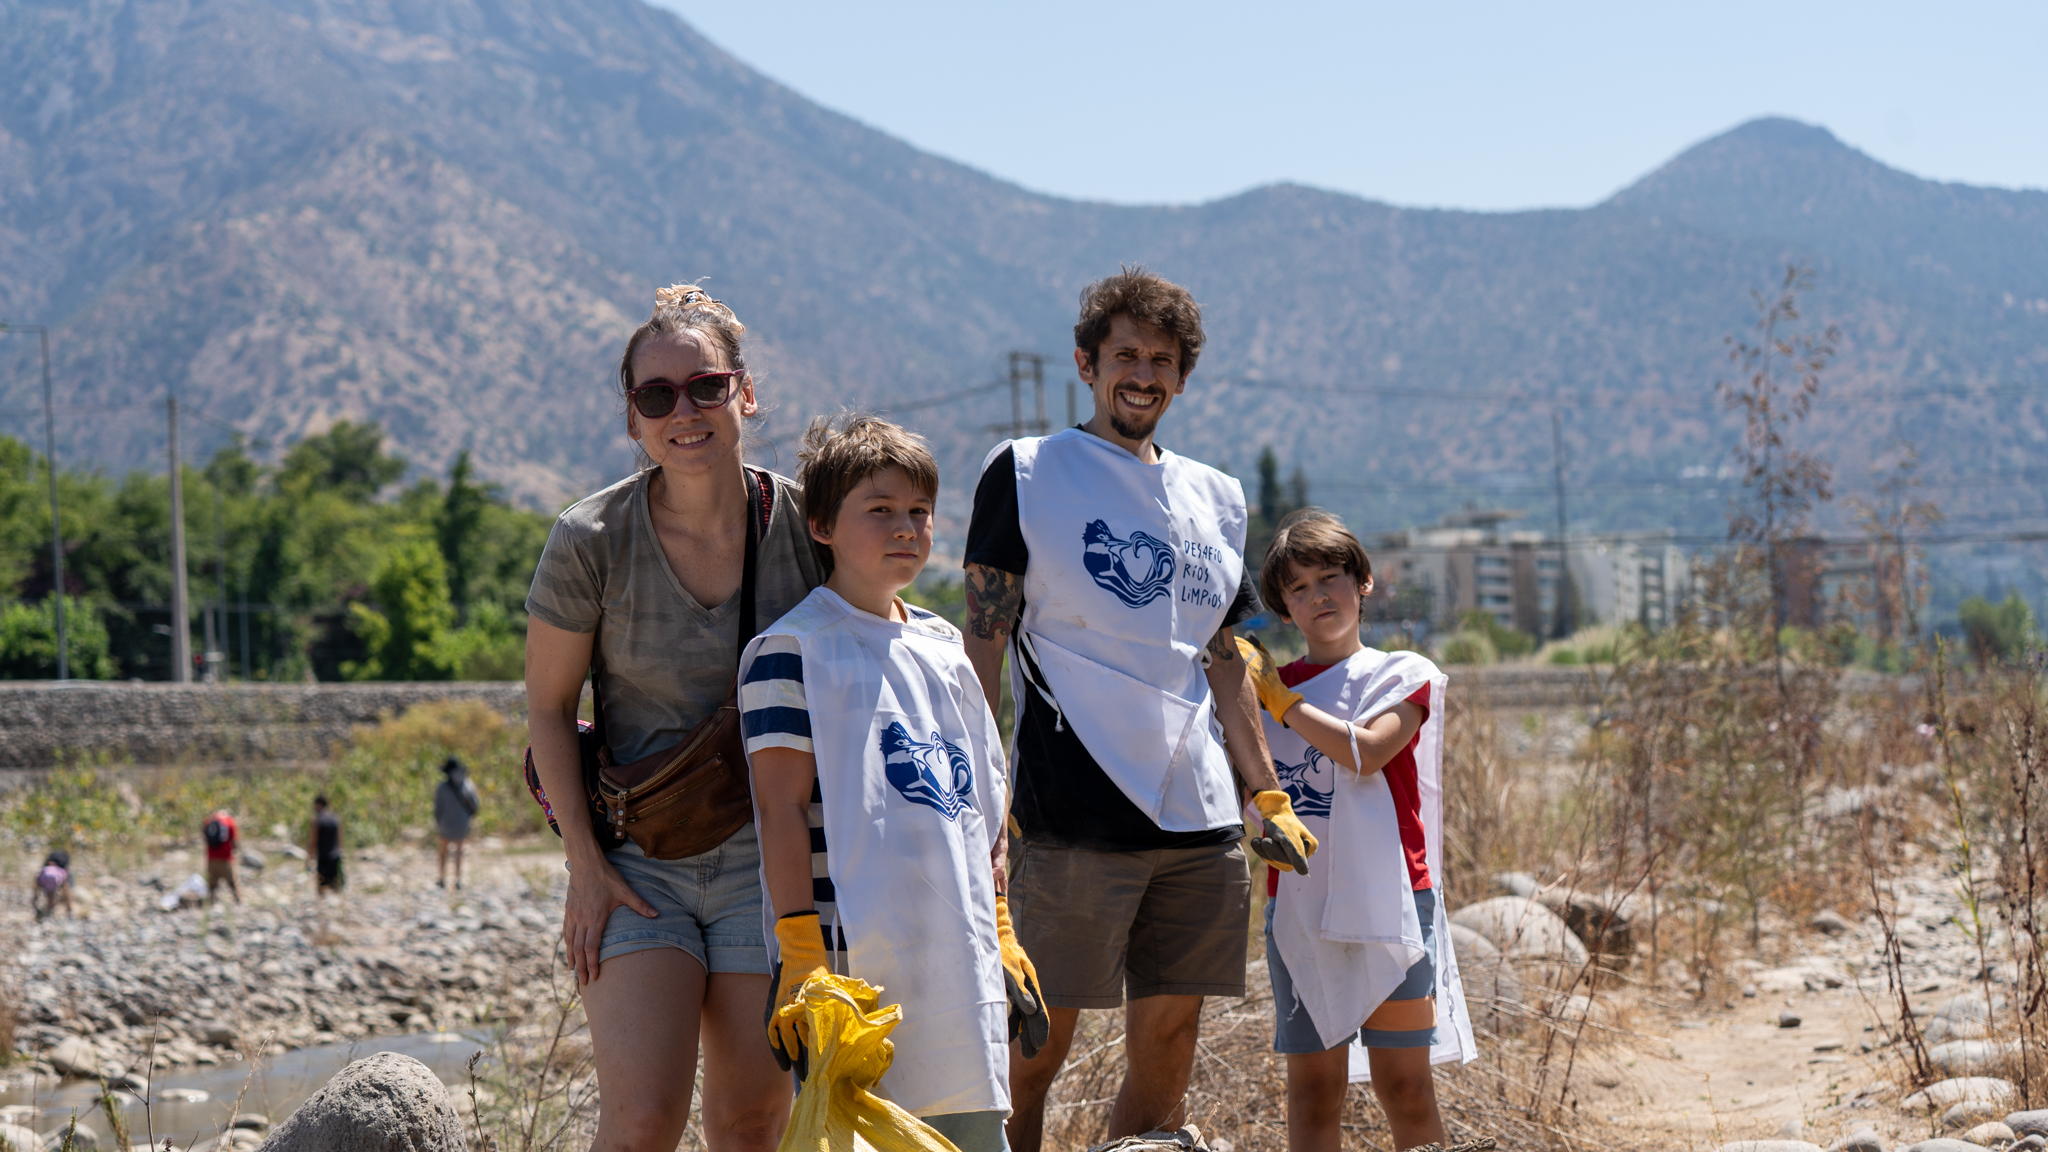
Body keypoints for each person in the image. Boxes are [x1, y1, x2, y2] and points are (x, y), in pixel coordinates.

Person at [962, 267, 1318, 1151]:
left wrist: (1265, 793)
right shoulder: (1028, 471)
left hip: (1196, 820)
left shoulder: (1217, 497)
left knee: (1169, 1042)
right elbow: (983, 640)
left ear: (1182, 378)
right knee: (1034, 1048)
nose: (1144, 374)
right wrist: (977, 792)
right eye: (1126, 355)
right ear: (1086, 363)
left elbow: (1227, 656)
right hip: (1069, 812)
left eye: (1163, 360)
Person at [525, 283, 824, 1152]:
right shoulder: (591, 539)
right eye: (657, 396)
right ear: (633, 419)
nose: (683, 411)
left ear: (746, 393)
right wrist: (584, 866)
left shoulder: (809, 525)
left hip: (772, 866)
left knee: (749, 1123)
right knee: (643, 1123)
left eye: (706, 387)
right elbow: (548, 708)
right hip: (637, 869)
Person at [742, 416, 1042, 1152]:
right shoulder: (790, 650)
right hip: (850, 972)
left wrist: (1001, 928)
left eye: (918, 512)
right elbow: (779, 810)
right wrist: (801, 955)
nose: (905, 528)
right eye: (879, 510)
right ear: (821, 524)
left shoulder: (945, 648)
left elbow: (982, 805)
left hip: (957, 966)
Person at [1239, 511, 1478, 1152]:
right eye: (1298, 588)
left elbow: (1368, 752)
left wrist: (1280, 701)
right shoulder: (1259, 691)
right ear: (1283, 608)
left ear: (1364, 582)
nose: (1318, 595)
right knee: (1314, 1093)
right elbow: (1244, 791)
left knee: (1405, 1087)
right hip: (1300, 907)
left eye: (1331, 578)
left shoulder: (1403, 673)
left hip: (1394, 903)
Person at [435, 757, 481, 889]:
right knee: (459, 852)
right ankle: (458, 880)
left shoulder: (442, 787)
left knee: (443, 852)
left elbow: (438, 808)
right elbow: (475, 804)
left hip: (445, 823)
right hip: (462, 823)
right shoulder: (467, 784)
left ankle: (442, 878)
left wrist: (438, 822)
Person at [202, 808, 240, 905]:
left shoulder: (208, 820)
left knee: (212, 882)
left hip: (211, 858)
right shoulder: (229, 822)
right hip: (225, 857)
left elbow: (204, 837)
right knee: (232, 881)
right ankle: (238, 901)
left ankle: (211, 902)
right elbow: (234, 840)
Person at [309, 795, 344, 894]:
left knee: (322, 889)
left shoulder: (317, 820)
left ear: (319, 805)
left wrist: (310, 857)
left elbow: (314, 841)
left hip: (323, 858)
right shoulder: (335, 819)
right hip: (335, 857)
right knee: (336, 888)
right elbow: (339, 838)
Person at [32, 849, 73, 920]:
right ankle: (69, 913)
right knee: (66, 893)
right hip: (60, 878)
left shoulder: (45, 868)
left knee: (50, 894)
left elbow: (36, 889)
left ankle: (49, 911)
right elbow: (66, 890)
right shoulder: (64, 863)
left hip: (44, 880)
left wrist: (35, 900)